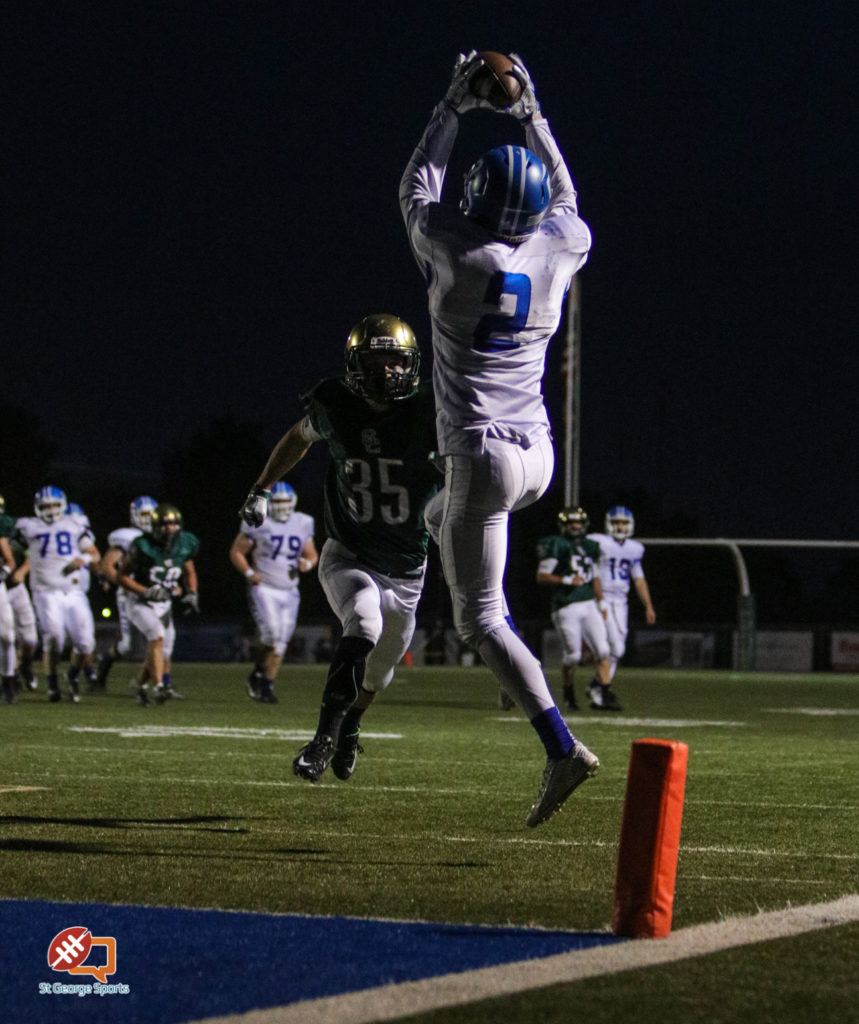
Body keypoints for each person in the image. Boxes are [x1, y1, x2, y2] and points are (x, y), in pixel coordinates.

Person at [400, 51, 598, 826]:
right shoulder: (558, 250)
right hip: (536, 457)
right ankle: (423, 549)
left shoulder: (452, 248)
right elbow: (569, 197)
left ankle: (558, 747)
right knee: (434, 516)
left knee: (480, 617)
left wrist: (453, 104)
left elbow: (419, 182)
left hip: (480, 453)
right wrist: (530, 110)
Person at [239, 313, 438, 782]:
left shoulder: (433, 409)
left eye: (395, 361)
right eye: (376, 360)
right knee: (363, 620)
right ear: (355, 364)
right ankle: (322, 738)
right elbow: (297, 437)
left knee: (378, 676)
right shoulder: (336, 404)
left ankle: (350, 725)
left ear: (410, 366)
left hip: (408, 566)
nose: (386, 371)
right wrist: (262, 487)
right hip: (349, 552)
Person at [229, 481, 318, 703]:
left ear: (293, 502)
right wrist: (249, 573)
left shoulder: (303, 522)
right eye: (277, 501)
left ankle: (266, 686)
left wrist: (306, 564)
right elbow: (237, 552)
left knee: (281, 642)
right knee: (271, 634)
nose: (281, 506)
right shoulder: (259, 521)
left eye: (285, 501)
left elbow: (312, 554)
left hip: (290, 590)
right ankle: (259, 671)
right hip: (265, 587)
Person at [15, 486, 101, 702]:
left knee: (86, 643)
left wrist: (84, 559)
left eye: (54, 505)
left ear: (62, 505)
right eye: (45, 506)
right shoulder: (29, 526)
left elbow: (94, 553)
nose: (50, 510)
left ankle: (72, 675)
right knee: (54, 637)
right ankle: (52, 685)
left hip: (73, 591)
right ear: (37, 508)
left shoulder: (74, 524)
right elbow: (11, 547)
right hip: (45, 591)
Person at [117, 502, 200, 705]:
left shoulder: (185, 543)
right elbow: (122, 576)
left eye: (172, 524)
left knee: (163, 650)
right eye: (164, 525)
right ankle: (159, 686)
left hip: (164, 603)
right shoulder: (142, 545)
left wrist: (192, 592)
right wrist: (144, 590)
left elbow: (189, 570)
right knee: (157, 636)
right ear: (155, 527)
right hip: (140, 601)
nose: (169, 528)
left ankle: (139, 684)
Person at [537, 507, 618, 712]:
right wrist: (566, 579)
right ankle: (568, 693)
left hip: (589, 603)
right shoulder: (556, 544)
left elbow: (595, 576)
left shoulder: (590, 546)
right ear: (563, 525)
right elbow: (542, 576)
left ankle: (606, 693)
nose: (576, 526)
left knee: (603, 650)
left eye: (578, 522)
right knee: (573, 656)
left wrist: (601, 602)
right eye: (571, 523)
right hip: (566, 605)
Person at [94, 495, 158, 690]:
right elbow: (107, 564)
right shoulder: (127, 536)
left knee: (159, 638)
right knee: (128, 645)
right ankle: (102, 673)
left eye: (152, 514)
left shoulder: (160, 536)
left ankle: (155, 682)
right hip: (130, 594)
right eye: (144, 514)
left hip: (153, 592)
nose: (148, 518)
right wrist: (123, 583)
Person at [587, 505, 656, 686]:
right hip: (601, 598)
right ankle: (602, 688)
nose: (619, 527)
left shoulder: (635, 549)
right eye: (616, 522)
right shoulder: (599, 541)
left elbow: (639, 580)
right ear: (609, 524)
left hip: (621, 602)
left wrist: (648, 605)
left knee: (617, 650)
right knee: (614, 647)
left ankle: (598, 685)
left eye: (623, 523)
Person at [0, 494, 39, 694]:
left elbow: (31, 554)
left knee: (29, 638)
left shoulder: (15, 530)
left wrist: (20, 572)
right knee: (7, 635)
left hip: (13, 588)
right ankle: (10, 676)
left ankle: (25, 665)